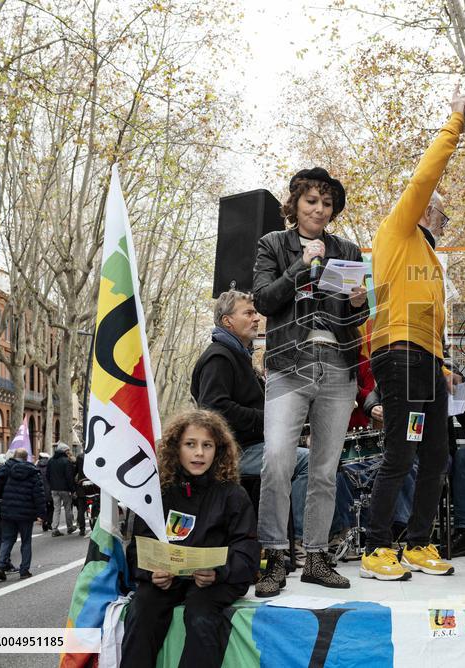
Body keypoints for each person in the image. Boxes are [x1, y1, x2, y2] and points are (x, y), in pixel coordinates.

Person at [359, 86, 465, 583]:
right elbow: (427, 174)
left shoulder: (427, 256)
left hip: (425, 359)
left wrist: (443, 364)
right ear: (424, 209)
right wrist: (454, 123)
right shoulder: (399, 228)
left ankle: (419, 543)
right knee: (401, 452)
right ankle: (375, 547)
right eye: (441, 214)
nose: (443, 223)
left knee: (436, 455)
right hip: (399, 354)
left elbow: (433, 318)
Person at [252, 166, 368, 595]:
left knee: (324, 469)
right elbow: (264, 300)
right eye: (312, 201)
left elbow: (356, 317)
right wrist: (300, 266)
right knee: (277, 460)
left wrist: (359, 302)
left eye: (327, 203)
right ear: (295, 204)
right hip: (289, 364)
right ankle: (274, 557)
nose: (319, 209)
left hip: (337, 366)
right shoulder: (273, 245)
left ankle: (317, 557)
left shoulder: (347, 250)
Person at [121, 409, 259, 668]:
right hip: (166, 580)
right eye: (190, 444)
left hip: (214, 581)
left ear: (218, 450)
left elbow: (247, 551)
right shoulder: (159, 493)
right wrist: (151, 573)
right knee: (141, 609)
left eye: (207, 445)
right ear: (176, 448)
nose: (199, 453)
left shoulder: (233, 495)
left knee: (201, 616)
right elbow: (138, 547)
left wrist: (218, 572)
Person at [191, 290, 265, 508]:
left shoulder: (238, 355)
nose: (257, 318)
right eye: (249, 313)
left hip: (251, 447)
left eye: (256, 313)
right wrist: (267, 419)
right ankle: (293, 530)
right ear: (227, 321)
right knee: (306, 462)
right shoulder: (219, 357)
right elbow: (215, 409)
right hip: (235, 452)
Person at [0, 448, 45, 580]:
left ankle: (0, 565)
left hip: (7, 509)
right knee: (26, 541)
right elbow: (38, 494)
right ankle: (24, 570)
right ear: (26, 458)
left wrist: (0, 499)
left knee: (7, 539)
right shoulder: (33, 472)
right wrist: (41, 514)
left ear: (14, 456)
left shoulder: (4, 468)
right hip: (26, 511)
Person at [47, 444, 76, 536]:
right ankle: (70, 527)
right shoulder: (66, 461)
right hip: (65, 489)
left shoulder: (51, 461)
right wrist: (72, 489)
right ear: (64, 451)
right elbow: (69, 477)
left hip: (54, 489)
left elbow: (47, 475)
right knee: (68, 508)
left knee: (57, 509)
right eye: (67, 450)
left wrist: (51, 485)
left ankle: (54, 528)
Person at [36, 451, 52, 531]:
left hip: (39, 489)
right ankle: (49, 522)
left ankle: (44, 522)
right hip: (49, 489)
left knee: (43, 507)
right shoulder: (50, 466)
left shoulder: (36, 467)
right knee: (51, 507)